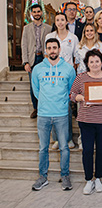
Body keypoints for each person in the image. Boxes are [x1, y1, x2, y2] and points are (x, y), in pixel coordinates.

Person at [70, 49, 102, 195]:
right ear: (87, 64)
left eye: (97, 61)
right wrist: (82, 98)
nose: (95, 64)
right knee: (87, 151)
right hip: (86, 120)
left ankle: (98, 178)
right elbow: (72, 95)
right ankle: (88, 180)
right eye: (91, 61)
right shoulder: (81, 77)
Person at [31, 38, 76, 191]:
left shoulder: (69, 69)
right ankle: (43, 177)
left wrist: (60, 102)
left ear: (59, 49)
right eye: (49, 48)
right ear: (45, 50)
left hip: (62, 113)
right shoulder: (37, 69)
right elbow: (36, 91)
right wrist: (45, 102)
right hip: (43, 114)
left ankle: (65, 176)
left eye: (54, 48)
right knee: (43, 147)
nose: (52, 50)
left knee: (64, 147)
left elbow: (71, 90)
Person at [46, 12, 79, 149]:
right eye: (58, 20)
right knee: (53, 107)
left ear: (67, 22)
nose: (60, 22)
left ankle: (69, 138)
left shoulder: (73, 37)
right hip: (52, 76)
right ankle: (57, 139)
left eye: (62, 20)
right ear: (55, 22)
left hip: (67, 75)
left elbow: (76, 57)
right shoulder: (49, 37)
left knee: (66, 108)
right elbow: (47, 55)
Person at [21, 4, 51, 119]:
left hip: (44, 58)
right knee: (33, 85)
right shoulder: (26, 28)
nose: (37, 13)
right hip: (32, 60)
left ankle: (45, 107)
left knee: (46, 84)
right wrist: (25, 62)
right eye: (34, 12)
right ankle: (36, 108)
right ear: (31, 14)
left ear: (41, 13)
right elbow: (24, 45)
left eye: (38, 11)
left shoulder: (48, 28)